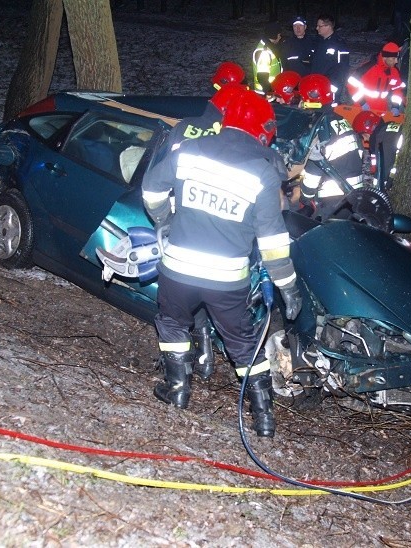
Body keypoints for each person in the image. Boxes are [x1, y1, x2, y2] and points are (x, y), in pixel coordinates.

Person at [141, 89, 302, 438]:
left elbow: (152, 189)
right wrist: (287, 285)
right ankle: (263, 417)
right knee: (243, 343)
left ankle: (178, 390)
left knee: (172, 325)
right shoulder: (263, 173)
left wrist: (164, 220)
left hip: (179, 269)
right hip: (227, 281)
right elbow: (272, 240)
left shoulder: (189, 151)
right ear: (263, 130)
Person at [296, 74, 364, 219]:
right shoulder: (339, 120)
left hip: (331, 198)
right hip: (353, 193)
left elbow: (313, 172)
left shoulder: (318, 128)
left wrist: (305, 198)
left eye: (302, 99)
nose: (300, 103)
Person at [353, 110, 411, 193]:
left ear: (368, 130)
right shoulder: (385, 130)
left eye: (363, 136)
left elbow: (384, 171)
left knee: (402, 182)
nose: (364, 140)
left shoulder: (383, 140)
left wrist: (376, 192)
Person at [346, 42, 406, 114]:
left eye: (397, 58)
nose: (396, 61)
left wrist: (395, 107)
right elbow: (351, 85)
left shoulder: (394, 72)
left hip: (381, 111)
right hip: (362, 109)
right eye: (393, 58)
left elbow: (397, 89)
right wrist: (362, 103)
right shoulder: (368, 68)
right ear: (385, 57)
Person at [309, 14, 350, 105]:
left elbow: (343, 67)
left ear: (328, 26)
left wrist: (335, 84)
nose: (317, 28)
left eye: (320, 26)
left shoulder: (339, 44)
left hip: (331, 86)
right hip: (316, 84)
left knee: (330, 108)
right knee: (315, 107)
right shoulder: (318, 42)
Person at [252, 21, 284, 94]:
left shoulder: (269, 48)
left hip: (269, 91)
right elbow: (262, 76)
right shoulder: (265, 52)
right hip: (265, 94)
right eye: (279, 35)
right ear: (274, 35)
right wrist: (270, 92)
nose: (280, 37)